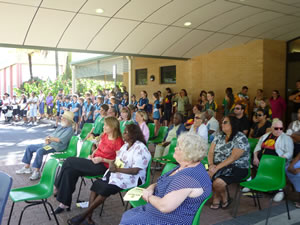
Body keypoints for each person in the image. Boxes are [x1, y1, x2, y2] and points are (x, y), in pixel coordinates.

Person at [120, 132, 212, 225]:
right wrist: (151, 188)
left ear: (189, 154)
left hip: (169, 220)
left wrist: (148, 196)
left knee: (129, 220)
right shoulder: (185, 166)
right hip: (158, 212)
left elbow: (165, 207)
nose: (175, 148)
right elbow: (163, 182)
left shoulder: (188, 177)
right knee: (129, 216)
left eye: (179, 147)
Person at [67, 124, 151, 225]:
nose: (123, 134)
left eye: (125, 132)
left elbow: (135, 171)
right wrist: (112, 163)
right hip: (118, 173)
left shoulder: (140, 148)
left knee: (105, 189)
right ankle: (88, 218)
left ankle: (83, 216)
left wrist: (117, 169)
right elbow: (117, 159)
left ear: (133, 134)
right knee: (96, 185)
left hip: (132, 178)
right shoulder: (126, 145)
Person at [54, 117, 124, 214]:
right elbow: (98, 149)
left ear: (113, 127)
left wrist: (102, 159)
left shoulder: (118, 141)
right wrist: (93, 154)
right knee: (70, 171)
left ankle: (57, 186)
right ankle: (64, 203)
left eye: (106, 125)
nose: (103, 127)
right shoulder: (104, 135)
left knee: (69, 161)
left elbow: (118, 161)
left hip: (104, 167)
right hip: (93, 161)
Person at [16, 111, 74, 180]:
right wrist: (47, 138)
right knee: (29, 147)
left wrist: (49, 139)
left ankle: (37, 172)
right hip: (49, 144)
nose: (61, 118)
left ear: (67, 120)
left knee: (40, 151)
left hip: (55, 147)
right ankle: (27, 167)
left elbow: (59, 140)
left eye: (63, 118)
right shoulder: (62, 126)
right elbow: (52, 135)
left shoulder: (69, 130)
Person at [207, 115, 250, 209]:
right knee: (205, 172)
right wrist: (211, 165)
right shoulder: (219, 136)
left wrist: (215, 169)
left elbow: (233, 158)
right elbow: (210, 152)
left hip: (237, 167)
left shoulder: (240, 137)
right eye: (221, 122)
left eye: (225, 122)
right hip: (217, 166)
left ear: (233, 124)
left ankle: (217, 198)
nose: (222, 124)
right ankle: (224, 198)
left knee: (217, 182)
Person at [253, 119, 293, 202]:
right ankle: (254, 182)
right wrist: (255, 157)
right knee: (250, 162)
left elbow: (289, 152)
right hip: (262, 160)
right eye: (276, 128)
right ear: (271, 128)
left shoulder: (286, 138)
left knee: (274, 169)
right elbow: (257, 147)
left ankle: (279, 191)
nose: (279, 130)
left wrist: (278, 160)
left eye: (281, 128)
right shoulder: (266, 136)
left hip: (277, 161)